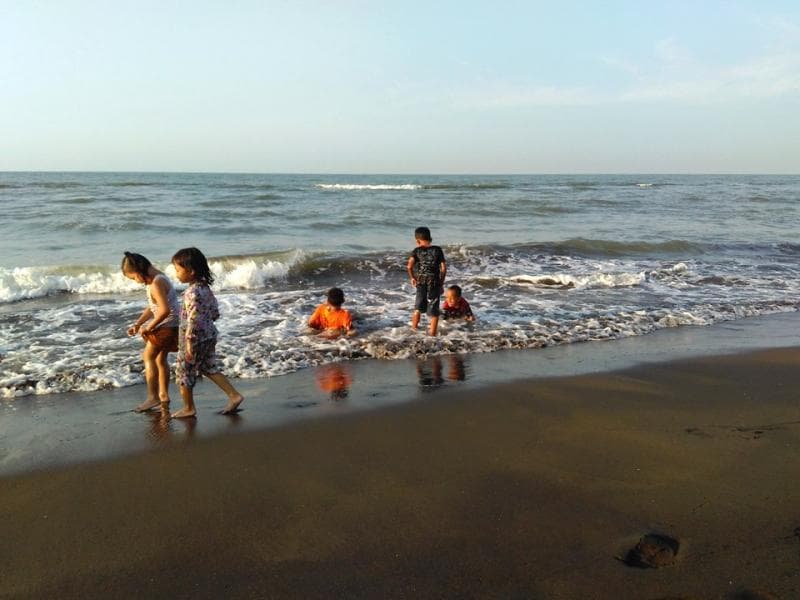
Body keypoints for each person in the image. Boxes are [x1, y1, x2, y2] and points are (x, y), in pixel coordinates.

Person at [170, 247, 244, 418]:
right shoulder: (205, 288)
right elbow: (215, 312)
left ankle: (189, 407)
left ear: (191, 271)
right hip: (209, 335)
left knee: (184, 372)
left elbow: (193, 319)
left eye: (178, 270)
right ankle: (234, 395)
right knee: (208, 367)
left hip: (195, 339)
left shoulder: (191, 292)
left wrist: (189, 342)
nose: (176, 274)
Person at [121, 251, 181, 413]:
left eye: (133, 278)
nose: (135, 282)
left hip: (167, 325)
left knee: (148, 356)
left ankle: (152, 397)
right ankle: (163, 395)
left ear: (139, 271)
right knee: (161, 359)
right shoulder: (158, 278)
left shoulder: (155, 284)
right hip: (173, 324)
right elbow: (153, 306)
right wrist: (139, 323)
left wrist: (149, 327)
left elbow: (164, 311)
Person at [407, 226, 447, 336]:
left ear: (417, 240)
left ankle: (414, 329)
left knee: (418, 307)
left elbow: (409, 266)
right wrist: (441, 283)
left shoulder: (416, 251)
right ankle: (432, 335)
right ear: (430, 238)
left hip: (421, 281)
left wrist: (412, 278)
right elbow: (443, 268)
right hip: (434, 282)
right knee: (434, 311)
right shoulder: (437, 250)